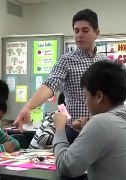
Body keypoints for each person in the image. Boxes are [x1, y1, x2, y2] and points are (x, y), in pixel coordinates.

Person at [53, 61, 126, 179]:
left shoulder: (101, 123)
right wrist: (86, 130)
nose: (85, 102)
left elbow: (66, 168)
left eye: (85, 96)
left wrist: (59, 129)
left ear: (99, 96)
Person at [14, 9, 108, 143]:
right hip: (73, 132)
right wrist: (28, 107)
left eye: (85, 30)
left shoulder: (105, 63)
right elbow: (50, 84)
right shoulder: (66, 60)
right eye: (76, 31)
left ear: (96, 33)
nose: (79, 35)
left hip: (101, 130)